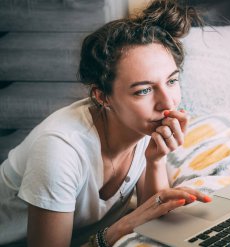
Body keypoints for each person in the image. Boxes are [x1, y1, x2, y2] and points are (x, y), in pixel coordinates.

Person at [0, 0, 211, 246]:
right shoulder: (59, 149)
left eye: (172, 81)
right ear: (102, 97)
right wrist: (123, 226)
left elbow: (153, 212)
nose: (167, 103)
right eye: (143, 91)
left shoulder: (141, 126)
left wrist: (155, 160)